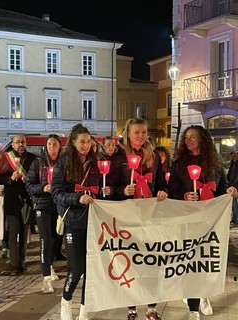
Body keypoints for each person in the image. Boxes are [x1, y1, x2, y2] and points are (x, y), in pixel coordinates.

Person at [168, 125, 238, 320]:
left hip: (210, 218)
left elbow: (223, 186)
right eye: (186, 137)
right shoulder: (179, 163)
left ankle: (204, 294)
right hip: (187, 218)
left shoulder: (214, 163)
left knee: (206, 257)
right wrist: (183, 195)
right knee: (190, 258)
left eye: (193, 137)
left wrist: (229, 192)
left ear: (202, 140)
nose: (188, 140)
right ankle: (193, 301)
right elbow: (171, 188)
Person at [52, 123, 108, 320]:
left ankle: (84, 309)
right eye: (82, 142)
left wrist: (104, 192)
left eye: (89, 141)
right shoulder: (63, 162)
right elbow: (56, 193)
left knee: (91, 270)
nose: (86, 145)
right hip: (73, 222)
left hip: (93, 222)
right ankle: (66, 300)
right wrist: (77, 198)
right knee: (77, 268)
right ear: (73, 143)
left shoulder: (97, 162)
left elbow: (101, 188)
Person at [116, 118, 168, 320]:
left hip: (150, 215)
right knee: (131, 261)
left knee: (152, 260)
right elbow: (110, 184)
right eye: (137, 132)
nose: (141, 136)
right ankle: (131, 308)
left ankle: (151, 307)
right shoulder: (119, 156)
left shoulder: (153, 156)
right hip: (128, 215)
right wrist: (123, 190)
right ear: (128, 134)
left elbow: (161, 182)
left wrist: (163, 191)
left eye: (144, 132)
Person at [26, 134, 63, 293]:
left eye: (55, 145)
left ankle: (49, 264)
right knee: (45, 239)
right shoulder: (38, 163)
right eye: (49, 144)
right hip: (42, 204)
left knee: (55, 239)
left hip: (58, 204)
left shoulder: (63, 163)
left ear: (59, 147)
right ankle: (46, 277)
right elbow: (29, 185)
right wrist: (43, 188)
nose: (52, 148)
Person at [0, 134, 36, 276]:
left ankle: (22, 261)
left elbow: (36, 177)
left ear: (26, 143)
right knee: (13, 232)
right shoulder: (6, 158)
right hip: (11, 199)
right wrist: (10, 179)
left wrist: (28, 179)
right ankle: (13, 264)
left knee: (24, 232)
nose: (20, 144)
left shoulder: (32, 158)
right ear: (12, 144)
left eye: (23, 142)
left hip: (26, 199)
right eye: (17, 142)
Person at [227, 151, 238, 226]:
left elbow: (234, 176)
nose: (233, 157)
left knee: (235, 204)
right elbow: (230, 175)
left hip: (235, 187)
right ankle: (235, 219)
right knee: (234, 204)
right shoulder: (233, 163)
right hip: (233, 186)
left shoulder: (236, 164)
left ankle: (236, 219)